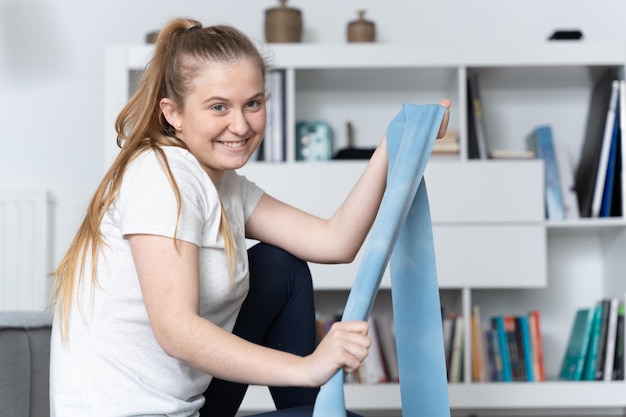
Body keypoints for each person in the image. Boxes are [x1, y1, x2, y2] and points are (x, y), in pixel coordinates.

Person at [49, 17, 450, 417]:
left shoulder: (226, 186)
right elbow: (175, 331)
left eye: (252, 104)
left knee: (281, 267)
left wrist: (393, 142)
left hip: (187, 405)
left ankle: (316, 412)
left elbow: (335, 242)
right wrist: (308, 368)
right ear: (173, 113)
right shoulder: (160, 175)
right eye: (218, 106)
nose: (240, 125)